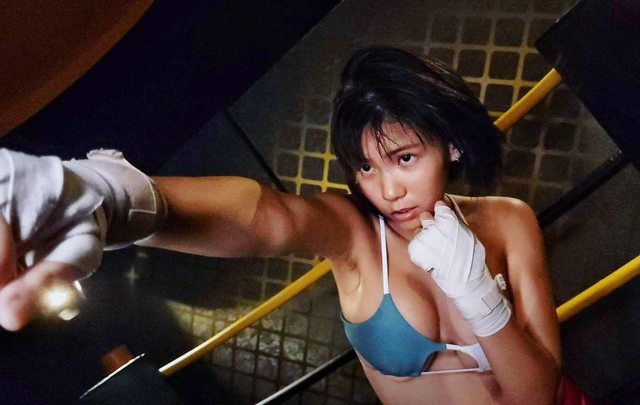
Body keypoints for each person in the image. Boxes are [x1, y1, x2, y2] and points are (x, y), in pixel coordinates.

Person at [0, 47, 564, 404]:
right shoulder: (357, 234)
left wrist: (479, 298)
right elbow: (267, 217)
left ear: (452, 145)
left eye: (405, 159)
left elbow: (539, 394)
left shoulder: (508, 222)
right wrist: (112, 196)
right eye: (366, 167)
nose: (387, 189)